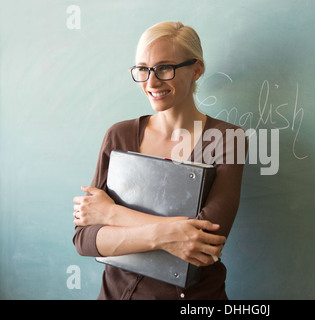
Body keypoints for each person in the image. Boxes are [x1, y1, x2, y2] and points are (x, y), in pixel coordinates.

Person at [72, 21, 246, 300]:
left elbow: (202, 246)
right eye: (143, 69)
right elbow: (85, 239)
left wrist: (111, 215)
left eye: (165, 68)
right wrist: (169, 235)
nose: (151, 83)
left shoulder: (228, 139)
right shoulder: (119, 135)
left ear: (197, 69)